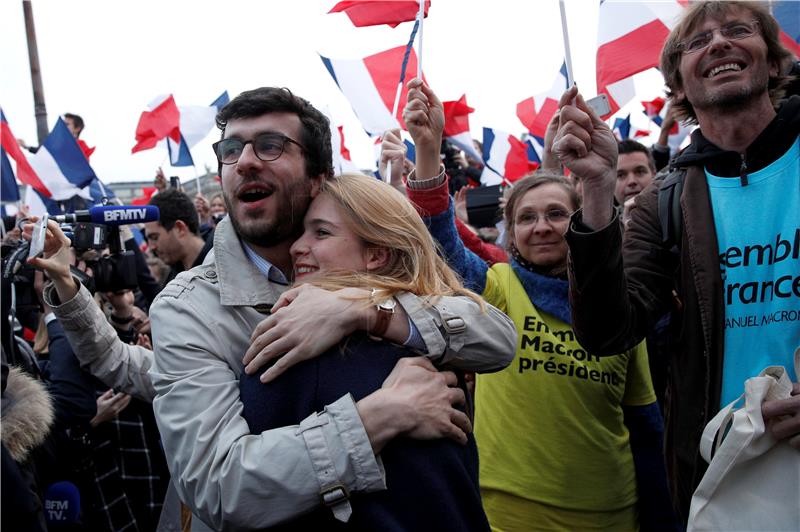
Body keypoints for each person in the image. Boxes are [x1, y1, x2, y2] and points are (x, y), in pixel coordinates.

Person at [148, 86, 517, 531]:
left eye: (270, 145)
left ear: (318, 177)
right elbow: (219, 488)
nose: (244, 161)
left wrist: (364, 311)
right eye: (231, 149)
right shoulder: (188, 306)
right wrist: (383, 414)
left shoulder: (380, 287)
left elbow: (498, 340)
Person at [553, 0, 800, 520]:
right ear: (680, 88)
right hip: (724, 471)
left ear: (775, 62)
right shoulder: (663, 202)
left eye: (738, 30)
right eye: (697, 42)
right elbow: (606, 333)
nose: (718, 43)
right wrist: (597, 189)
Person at [403, 78, 669, 531]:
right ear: (511, 233)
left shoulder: (620, 305)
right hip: (506, 513)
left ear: (582, 220)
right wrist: (428, 149)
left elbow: (646, 427)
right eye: (526, 217)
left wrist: (663, 520)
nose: (542, 227)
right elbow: (437, 243)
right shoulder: (500, 287)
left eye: (556, 214)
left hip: (612, 516)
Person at [240, 172, 505, 530]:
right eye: (302, 231)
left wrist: (359, 311)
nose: (296, 247)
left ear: (377, 254)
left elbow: (246, 502)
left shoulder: (293, 347)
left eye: (321, 232)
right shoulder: (430, 348)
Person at [146, 188, 214, 288]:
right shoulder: (173, 277)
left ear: (179, 228)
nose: (151, 247)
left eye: (155, 237)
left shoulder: (223, 266)